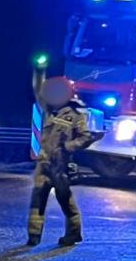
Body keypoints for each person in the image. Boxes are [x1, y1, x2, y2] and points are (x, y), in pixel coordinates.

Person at [28, 76, 98, 246]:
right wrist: (39, 71)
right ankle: (34, 236)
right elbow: (38, 91)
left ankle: (74, 233)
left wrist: (68, 146)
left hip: (60, 165)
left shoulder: (75, 117)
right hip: (43, 163)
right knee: (37, 201)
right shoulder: (46, 110)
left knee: (66, 200)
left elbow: (86, 137)